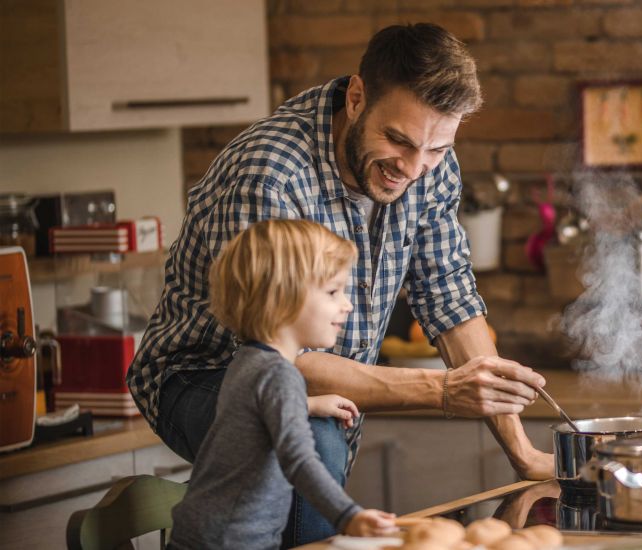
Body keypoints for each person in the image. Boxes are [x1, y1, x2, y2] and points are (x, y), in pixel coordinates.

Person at [127, 23, 552, 546]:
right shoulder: (271, 173)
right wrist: (441, 391)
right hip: (201, 374)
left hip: (313, 382)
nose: (414, 168)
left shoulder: (428, 162)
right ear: (356, 98)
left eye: (437, 149)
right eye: (397, 140)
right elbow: (280, 356)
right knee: (309, 435)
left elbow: (449, 297)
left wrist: (522, 451)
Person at [169, 220, 396, 549]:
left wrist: (309, 404)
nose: (346, 304)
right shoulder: (280, 375)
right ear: (283, 298)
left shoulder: (248, 360)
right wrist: (349, 516)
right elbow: (300, 459)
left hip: (204, 535)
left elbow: (248, 415)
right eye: (333, 291)